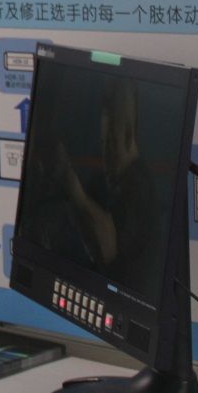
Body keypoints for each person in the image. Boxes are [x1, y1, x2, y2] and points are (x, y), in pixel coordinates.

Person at [52, 78, 156, 290]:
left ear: (128, 135)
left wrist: (74, 189)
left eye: (111, 143)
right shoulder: (113, 183)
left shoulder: (138, 189)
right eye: (103, 143)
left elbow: (106, 245)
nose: (105, 155)